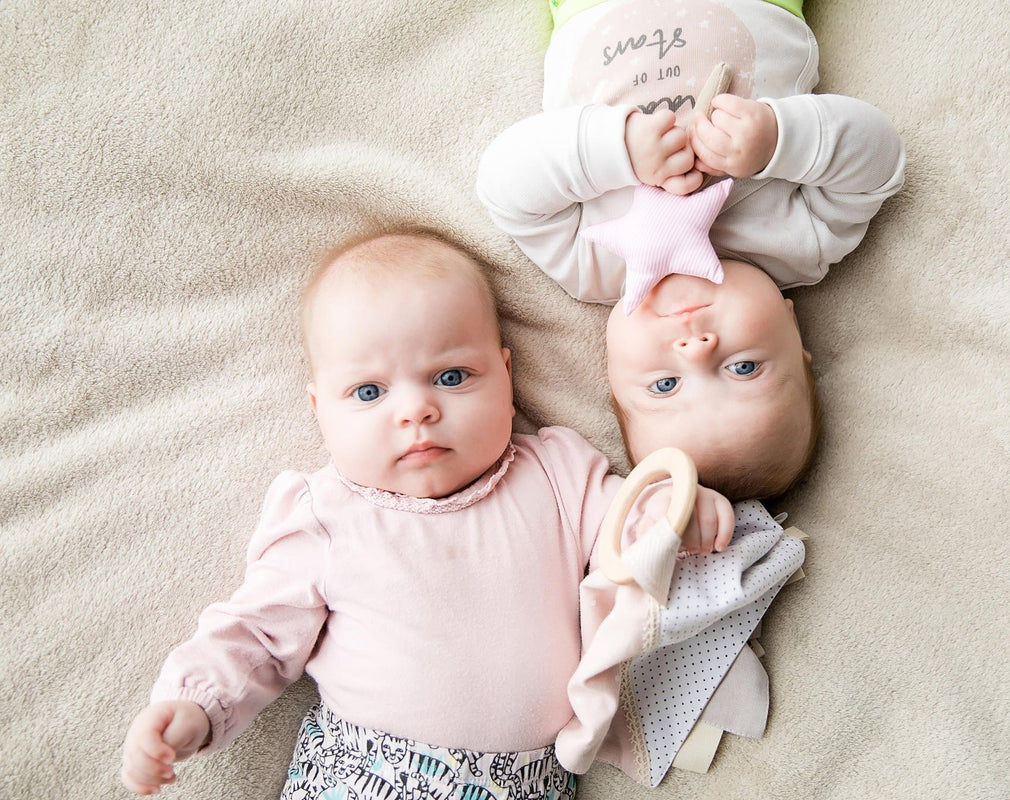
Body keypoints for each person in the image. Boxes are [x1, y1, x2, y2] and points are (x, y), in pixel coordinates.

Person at [118, 228, 735, 799]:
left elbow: (626, 532)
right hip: (368, 771)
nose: (416, 410)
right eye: (369, 392)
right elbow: (256, 635)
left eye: (450, 375)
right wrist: (193, 706)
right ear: (319, 409)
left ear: (505, 372)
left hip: (528, 780)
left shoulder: (556, 474)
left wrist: (676, 511)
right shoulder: (325, 515)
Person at [476, 0, 905, 500]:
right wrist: (778, 140)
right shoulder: (798, 246)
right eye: (744, 368)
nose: (695, 350)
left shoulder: (592, 267)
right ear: (792, 332)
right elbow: (879, 161)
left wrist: (614, 149)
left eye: (665, 385)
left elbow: (504, 185)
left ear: (612, 374)